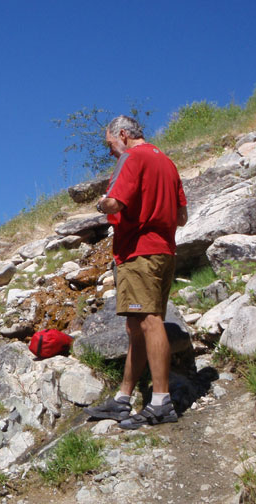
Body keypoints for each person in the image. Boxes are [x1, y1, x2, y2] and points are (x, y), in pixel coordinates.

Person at [84, 115, 188, 430]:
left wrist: (101, 204)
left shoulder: (132, 157)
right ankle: (124, 398)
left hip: (139, 251)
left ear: (124, 135)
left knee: (150, 320)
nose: (112, 152)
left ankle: (160, 401)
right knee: (136, 326)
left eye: (111, 144)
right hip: (164, 251)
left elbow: (115, 203)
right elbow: (182, 217)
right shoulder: (167, 163)